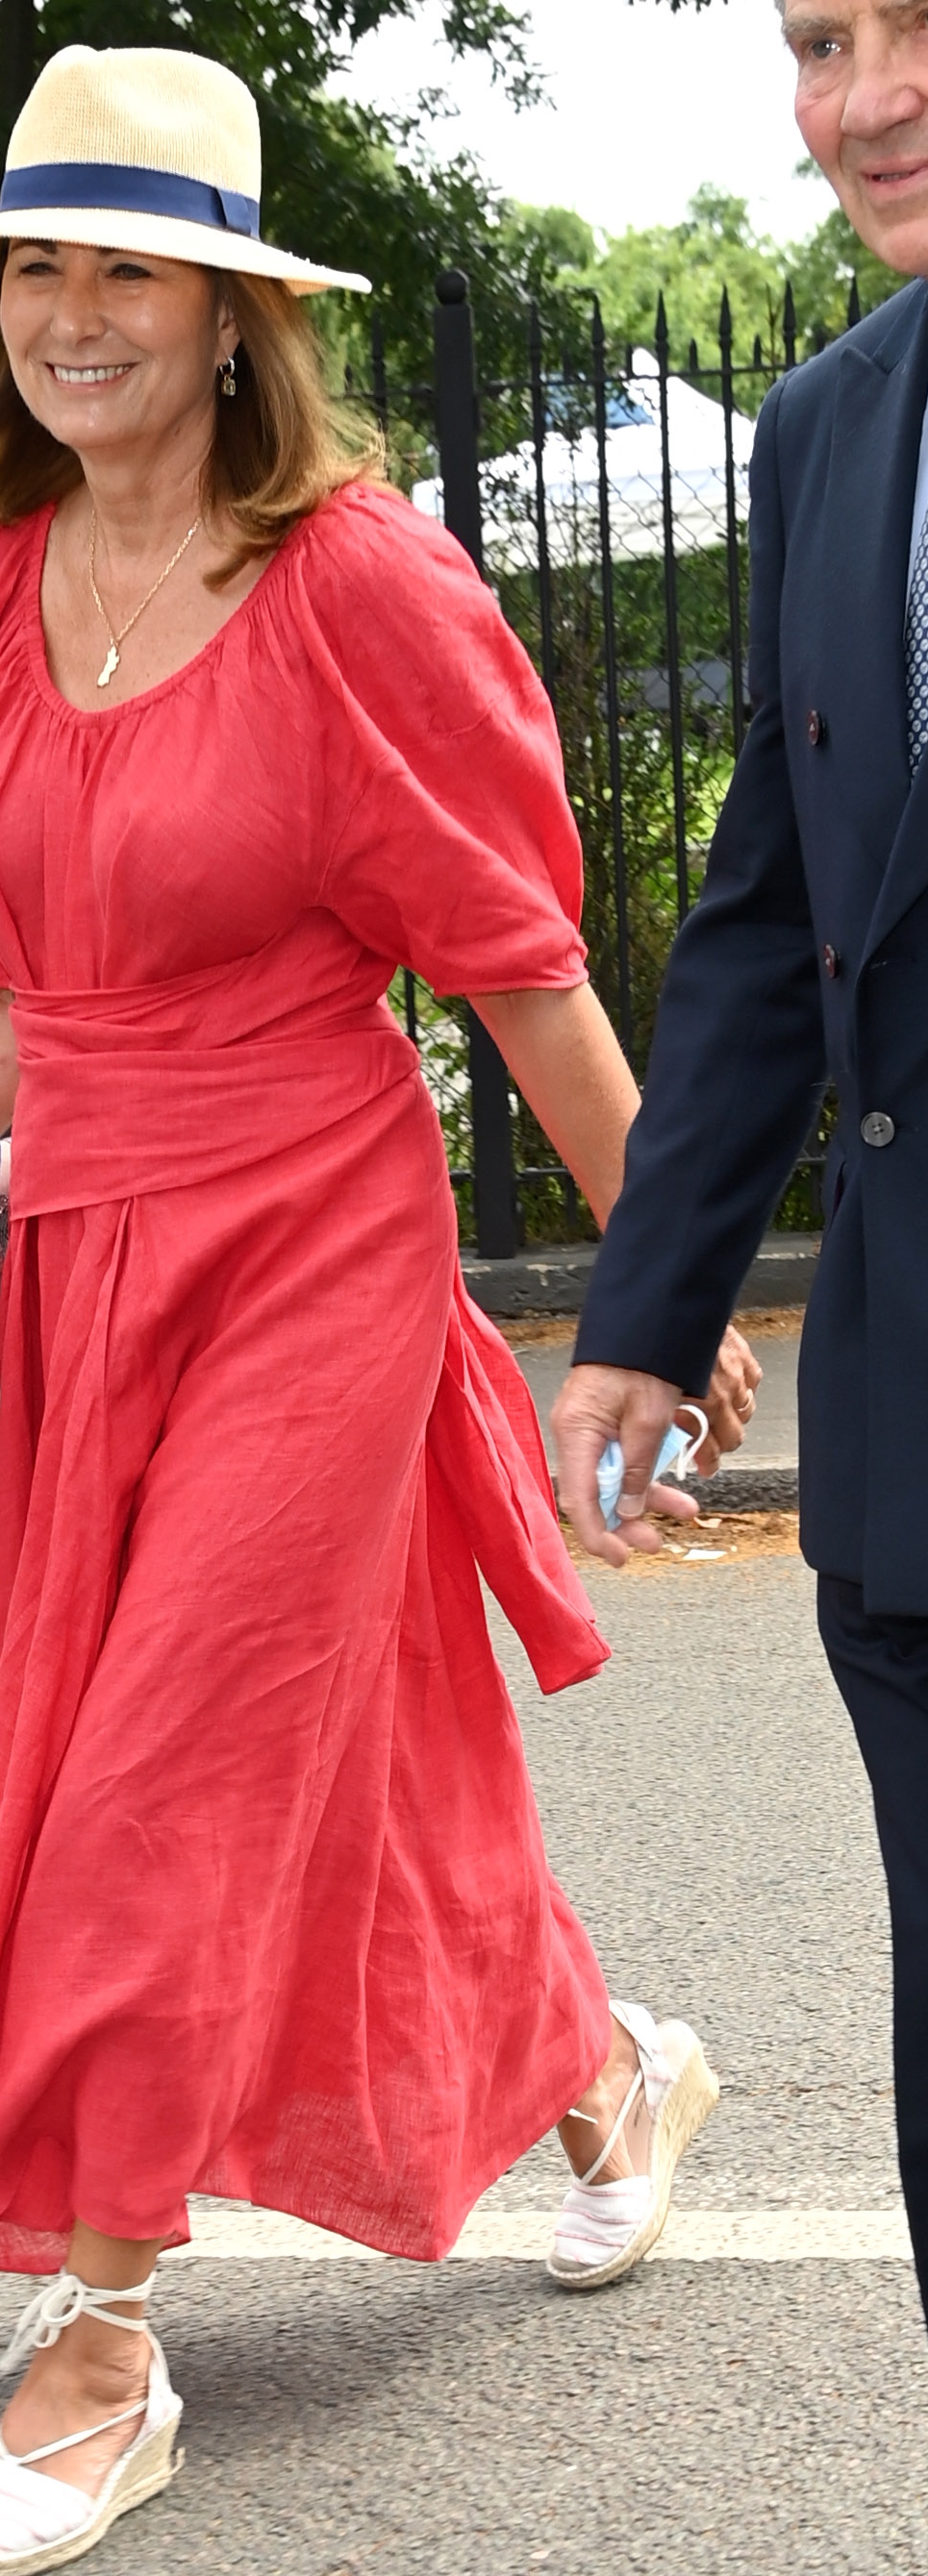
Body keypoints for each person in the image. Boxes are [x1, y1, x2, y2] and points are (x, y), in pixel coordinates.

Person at [0, 45, 745, 2576]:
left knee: (147, 1789)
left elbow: (521, 965)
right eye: (36, 262)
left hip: (314, 1252)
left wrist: (648, 1281)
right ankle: (600, 2072)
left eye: (127, 264)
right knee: (320, 1766)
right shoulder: (0, 589)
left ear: (232, 316)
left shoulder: (360, 584)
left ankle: (103, 2335)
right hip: (90, 1263)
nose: (72, 311)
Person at [553, 0, 928, 2329]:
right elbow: (768, 913)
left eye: (914, 24)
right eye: (817, 37)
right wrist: (648, 1302)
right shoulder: (824, 429)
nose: (862, 97)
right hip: (913, 1461)